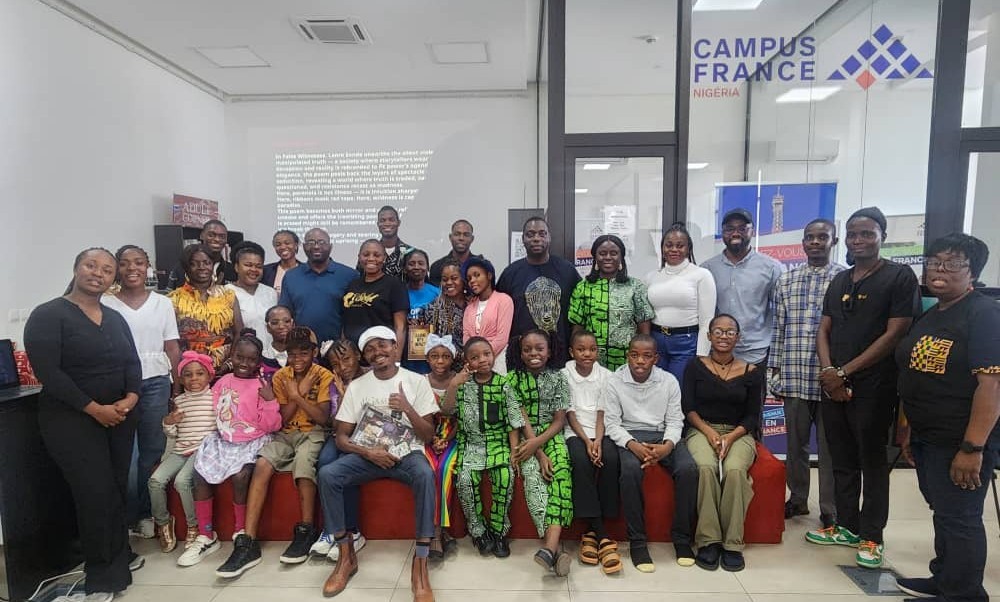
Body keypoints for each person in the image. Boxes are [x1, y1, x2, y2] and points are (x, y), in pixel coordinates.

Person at [24, 248, 143, 601]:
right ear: (76, 268)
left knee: (116, 491)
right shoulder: (48, 315)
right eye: (91, 266)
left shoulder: (115, 318)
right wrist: (94, 409)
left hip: (119, 417)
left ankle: (119, 562)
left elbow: (132, 362)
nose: (98, 273)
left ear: (113, 278)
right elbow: (49, 373)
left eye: (106, 270)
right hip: (72, 419)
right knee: (94, 494)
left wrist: (131, 398)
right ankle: (101, 579)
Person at [807, 206, 920, 570]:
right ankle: (846, 526)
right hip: (834, 384)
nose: (859, 240)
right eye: (854, 234)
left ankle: (872, 536)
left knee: (871, 462)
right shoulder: (841, 280)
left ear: (882, 237)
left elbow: (896, 332)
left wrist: (845, 372)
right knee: (841, 458)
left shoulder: (899, 277)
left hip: (874, 385)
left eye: (867, 234)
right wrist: (830, 372)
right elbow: (824, 328)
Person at [893, 233, 1000, 602]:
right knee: (943, 510)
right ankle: (945, 579)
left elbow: (992, 386)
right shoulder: (934, 313)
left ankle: (965, 594)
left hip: (961, 439)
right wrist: (909, 429)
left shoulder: (983, 314)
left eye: (952, 264)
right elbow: (916, 373)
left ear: (973, 272)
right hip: (929, 435)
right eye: (934, 262)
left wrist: (972, 448)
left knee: (961, 517)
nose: (939, 270)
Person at [318, 326, 438, 601]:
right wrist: (369, 453)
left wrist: (407, 408)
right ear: (365, 356)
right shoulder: (358, 386)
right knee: (328, 474)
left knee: (424, 474)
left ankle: (420, 563)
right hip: (369, 455)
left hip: (407, 454)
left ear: (395, 347)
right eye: (370, 349)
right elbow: (341, 438)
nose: (377, 352)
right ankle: (345, 555)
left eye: (382, 345)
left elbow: (428, 435)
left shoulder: (416, 381)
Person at [225, 327, 333, 575]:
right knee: (262, 462)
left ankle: (306, 529)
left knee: (304, 463)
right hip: (285, 433)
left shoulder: (323, 375)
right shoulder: (281, 376)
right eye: (292, 354)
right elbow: (281, 419)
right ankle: (248, 540)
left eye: (304, 353)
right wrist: (296, 394)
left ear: (314, 352)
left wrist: (298, 395)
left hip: (313, 432)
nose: (297, 359)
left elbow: (323, 418)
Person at [177, 331, 281, 571]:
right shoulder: (222, 382)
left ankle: (240, 530)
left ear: (259, 361)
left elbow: (272, 425)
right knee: (199, 473)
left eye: (251, 359)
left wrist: (269, 401)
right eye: (239, 357)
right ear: (231, 356)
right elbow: (214, 409)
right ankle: (206, 535)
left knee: (241, 475)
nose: (244, 363)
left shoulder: (262, 386)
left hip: (252, 440)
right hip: (225, 440)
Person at [102, 244, 180, 537]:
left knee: (151, 451)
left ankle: (146, 514)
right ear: (117, 268)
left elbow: (172, 347)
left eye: (138, 262)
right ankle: (126, 515)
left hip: (156, 382)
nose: (132, 268)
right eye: (125, 263)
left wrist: (175, 388)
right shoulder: (105, 303)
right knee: (127, 455)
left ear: (148, 266)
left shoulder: (162, 303)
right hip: (118, 385)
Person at [603, 333, 699, 571]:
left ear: (656, 358)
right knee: (630, 471)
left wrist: (667, 446)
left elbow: (675, 420)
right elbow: (612, 423)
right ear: (628, 356)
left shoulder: (669, 381)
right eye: (634, 355)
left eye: (646, 356)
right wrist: (632, 444)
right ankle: (637, 542)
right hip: (629, 436)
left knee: (688, 469)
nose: (640, 361)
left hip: (662, 435)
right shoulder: (614, 381)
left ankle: (682, 538)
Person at [770, 219, 844, 526]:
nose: (815, 242)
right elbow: (778, 329)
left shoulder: (844, 279)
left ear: (833, 241)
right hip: (794, 375)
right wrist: (774, 372)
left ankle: (830, 509)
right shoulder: (786, 281)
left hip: (831, 379)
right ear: (802, 242)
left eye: (822, 237)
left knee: (829, 449)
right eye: (810, 237)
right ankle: (798, 499)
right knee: (795, 446)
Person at [683, 315, 762, 572]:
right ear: (709, 336)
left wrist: (730, 437)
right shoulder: (695, 366)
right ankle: (709, 541)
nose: (724, 336)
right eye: (718, 331)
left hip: (738, 433)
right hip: (701, 429)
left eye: (730, 332)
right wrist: (709, 433)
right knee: (705, 468)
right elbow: (689, 408)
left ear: (738, 337)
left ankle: (732, 544)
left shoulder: (752, 372)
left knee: (735, 471)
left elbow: (752, 416)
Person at [442, 336, 522, 559]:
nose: (482, 360)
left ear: (493, 355)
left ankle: (499, 531)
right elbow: (447, 411)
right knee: (465, 480)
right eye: (475, 357)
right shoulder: (462, 385)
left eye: (487, 354)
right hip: (470, 445)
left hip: (498, 445)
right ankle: (478, 531)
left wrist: (514, 452)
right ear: (467, 362)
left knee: (505, 477)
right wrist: (453, 384)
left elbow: (513, 422)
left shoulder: (504, 385)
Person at [508, 330, 574, 577]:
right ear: (520, 353)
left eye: (539, 348)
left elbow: (559, 421)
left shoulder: (559, 378)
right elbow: (520, 417)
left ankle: (549, 547)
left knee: (561, 474)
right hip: (525, 438)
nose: (533, 353)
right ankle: (552, 551)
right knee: (533, 479)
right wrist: (537, 452)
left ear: (549, 351)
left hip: (551, 435)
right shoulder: (511, 380)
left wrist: (539, 445)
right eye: (527, 349)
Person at [562, 330, 621, 575]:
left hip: (600, 430)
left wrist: (597, 441)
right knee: (580, 460)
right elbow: (570, 414)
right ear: (571, 352)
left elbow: (601, 412)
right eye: (581, 349)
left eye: (592, 349)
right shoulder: (564, 374)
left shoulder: (606, 375)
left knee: (611, 458)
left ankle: (591, 532)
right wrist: (587, 442)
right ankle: (602, 533)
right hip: (575, 432)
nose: (587, 354)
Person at [148, 351, 216, 553]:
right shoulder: (180, 401)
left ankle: (194, 525)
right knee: (155, 481)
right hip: (180, 450)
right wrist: (169, 422)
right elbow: (172, 433)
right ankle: (163, 522)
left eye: (200, 373)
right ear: (180, 379)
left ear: (209, 376)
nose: (194, 378)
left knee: (182, 481)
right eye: (188, 374)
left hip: (202, 449)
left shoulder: (215, 397)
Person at [309, 339, 367, 561]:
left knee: (345, 465)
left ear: (358, 356)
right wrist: (343, 396)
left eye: (346, 359)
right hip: (339, 434)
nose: (342, 367)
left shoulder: (371, 377)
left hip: (364, 437)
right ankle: (331, 528)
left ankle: (352, 531)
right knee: (325, 462)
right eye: (335, 363)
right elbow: (334, 424)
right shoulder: (334, 384)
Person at [702, 209, 783, 367]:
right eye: (730, 229)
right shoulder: (707, 269)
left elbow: (781, 312)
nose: (735, 233)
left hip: (756, 353)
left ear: (752, 231)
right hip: (717, 353)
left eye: (742, 228)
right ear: (722, 233)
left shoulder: (771, 268)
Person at [497, 217, 581, 366]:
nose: (536, 238)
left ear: (549, 237)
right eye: (530, 234)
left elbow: (581, 310)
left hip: (561, 356)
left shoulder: (567, 271)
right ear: (523, 239)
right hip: (522, 358)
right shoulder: (510, 274)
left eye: (542, 234)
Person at [568, 234, 654, 371]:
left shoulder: (635, 287)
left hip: (627, 360)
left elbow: (644, 329)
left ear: (621, 257)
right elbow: (577, 327)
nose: (608, 257)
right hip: (591, 360)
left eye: (613, 253)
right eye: (602, 253)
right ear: (595, 257)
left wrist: (642, 357)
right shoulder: (583, 287)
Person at [645, 223, 716, 386]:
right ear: (662, 248)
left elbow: (707, 320)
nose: (674, 249)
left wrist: (702, 355)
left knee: (678, 389)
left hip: (685, 344)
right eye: (669, 245)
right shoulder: (651, 277)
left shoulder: (701, 275)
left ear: (688, 248)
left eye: (680, 245)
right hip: (656, 341)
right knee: (656, 389)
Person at [167, 244, 243, 371]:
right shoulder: (173, 299)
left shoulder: (228, 295)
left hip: (225, 368)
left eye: (207, 263)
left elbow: (239, 332)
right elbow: (170, 341)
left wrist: (230, 363)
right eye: (194, 264)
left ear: (213, 265)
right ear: (186, 268)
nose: (201, 267)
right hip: (190, 371)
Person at [278, 228, 357, 343]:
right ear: (304, 247)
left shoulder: (349, 275)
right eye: (311, 242)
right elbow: (286, 313)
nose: (316, 246)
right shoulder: (291, 277)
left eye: (321, 242)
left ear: (330, 246)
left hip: (338, 347)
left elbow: (355, 315)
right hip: (302, 347)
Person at [422, 334, 461, 559]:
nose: (440, 361)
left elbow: (463, 416)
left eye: (445, 356)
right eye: (434, 356)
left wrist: (446, 439)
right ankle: (438, 531)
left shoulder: (460, 379)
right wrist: (433, 439)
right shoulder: (420, 381)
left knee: (445, 469)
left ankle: (437, 532)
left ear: (452, 359)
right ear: (427, 358)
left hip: (454, 437)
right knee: (429, 470)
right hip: (426, 437)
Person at [342, 239, 409, 350]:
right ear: (359, 257)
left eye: (377, 255)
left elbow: (400, 327)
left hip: (380, 353)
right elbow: (346, 323)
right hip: (354, 354)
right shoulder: (352, 285)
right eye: (366, 255)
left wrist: (396, 356)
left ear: (384, 258)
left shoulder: (394, 285)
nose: (371, 258)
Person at [463, 257, 514, 374]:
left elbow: (502, 338)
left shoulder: (504, 300)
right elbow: (466, 336)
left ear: (489, 276)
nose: (472, 281)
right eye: (469, 278)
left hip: (497, 361)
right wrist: (473, 359)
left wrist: (484, 358)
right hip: (474, 365)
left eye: (477, 275)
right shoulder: (469, 307)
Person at [226, 241, 278, 353]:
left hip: (272, 357)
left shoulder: (270, 292)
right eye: (248, 265)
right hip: (244, 357)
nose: (254, 270)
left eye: (258, 266)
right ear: (236, 267)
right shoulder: (226, 293)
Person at [166, 220, 237, 291]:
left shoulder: (233, 270)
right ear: (201, 236)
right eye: (211, 235)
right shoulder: (183, 267)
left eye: (222, 237)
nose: (217, 239)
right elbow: (168, 295)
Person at [402, 249, 441, 374]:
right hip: (404, 356)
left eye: (421, 263)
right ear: (405, 268)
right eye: (411, 263)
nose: (416, 267)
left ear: (427, 267)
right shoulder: (399, 293)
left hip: (432, 356)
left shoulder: (437, 293)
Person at [429, 219, 481, 287]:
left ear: (472, 239)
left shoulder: (480, 265)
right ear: (450, 237)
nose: (461, 238)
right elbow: (435, 292)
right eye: (457, 234)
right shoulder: (437, 267)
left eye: (466, 235)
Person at [426, 260, 467, 347]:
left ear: (463, 279)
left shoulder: (473, 304)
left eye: (454, 278)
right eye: (444, 279)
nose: (448, 282)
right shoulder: (432, 308)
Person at [377, 205, 414, 281]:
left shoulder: (411, 253)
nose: (387, 223)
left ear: (398, 223)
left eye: (391, 220)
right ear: (378, 224)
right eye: (383, 220)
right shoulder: (369, 254)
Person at [260, 305, 294, 384]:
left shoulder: (303, 357)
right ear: (268, 328)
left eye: (287, 321)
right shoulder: (261, 358)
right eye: (275, 323)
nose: (281, 326)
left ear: (293, 324)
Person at [262, 229, 302, 295]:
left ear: (296, 245)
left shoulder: (307, 270)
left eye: (287, 243)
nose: (283, 247)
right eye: (278, 245)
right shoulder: (266, 271)